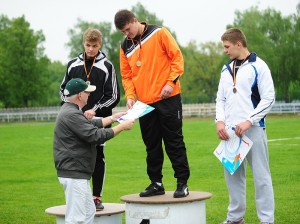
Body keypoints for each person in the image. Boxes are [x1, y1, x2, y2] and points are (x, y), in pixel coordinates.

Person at [114, 9, 190, 198]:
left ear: (135, 20)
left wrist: (170, 83)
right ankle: (156, 183)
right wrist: (130, 96)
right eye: (123, 32)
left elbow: (177, 58)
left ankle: (182, 183)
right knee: (151, 145)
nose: (126, 34)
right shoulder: (125, 47)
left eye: (127, 29)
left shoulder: (159, 33)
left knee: (174, 142)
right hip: (144, 103)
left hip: (168, 98)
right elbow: (127, 76)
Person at [54, 78, 134, 224]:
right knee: (76, 219)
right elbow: (95, 135)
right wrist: (122, 127)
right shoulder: (71, 114)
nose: (89, 95)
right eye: (87, 92)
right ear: (79, 95)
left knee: (88, 212)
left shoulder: (71, 111)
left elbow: (90, 123)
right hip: (74, 173)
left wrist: (113, 118)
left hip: (77, 173)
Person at [215, 28, 275, 224]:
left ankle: (266, 220)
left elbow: (269, 98)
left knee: (261, 177)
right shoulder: (226, 69)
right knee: (233, 178)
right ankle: (235, 218)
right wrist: (220, 122)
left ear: (239, 44)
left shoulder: (259, 66)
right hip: (230, 134)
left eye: (227, 46)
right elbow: (220, 99)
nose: (224, 50)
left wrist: (250, 120)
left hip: (254, 130)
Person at [59, 28, 120, 210]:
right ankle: (81, 197)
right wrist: (76, 109)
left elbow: (114, 96)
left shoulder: (107, 66)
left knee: (98, 157)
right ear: (83, 43)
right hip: (75, 119)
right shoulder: (72, 65)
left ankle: (96, 197)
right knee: (76, 155)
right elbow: (63, 91)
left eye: (94, 46)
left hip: (98, 118)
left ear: (100, 45)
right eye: (88, 45)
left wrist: (94, 109)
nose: (91, 49)